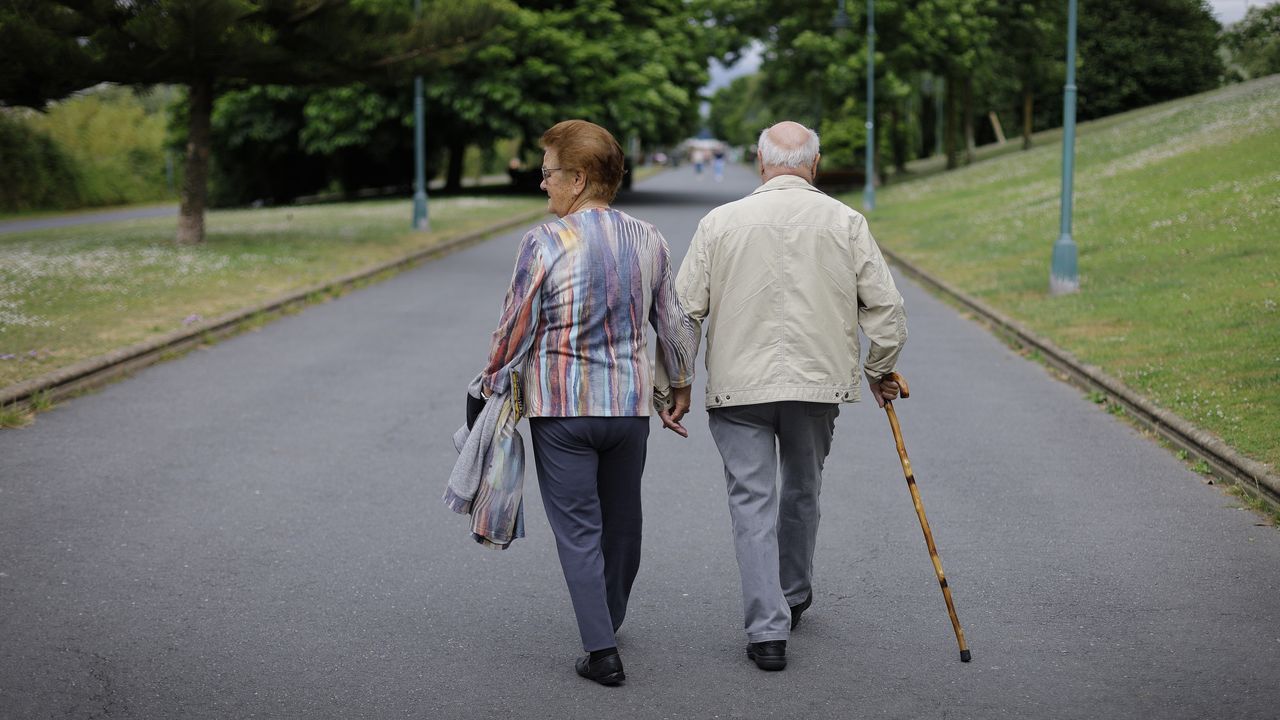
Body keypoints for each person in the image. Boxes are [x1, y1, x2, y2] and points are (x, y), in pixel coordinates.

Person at [656, 121, 907, 672]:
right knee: (802, 490)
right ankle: (793, 594)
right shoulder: (846, 221)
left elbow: (681, 314)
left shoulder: (720, 222)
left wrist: (675, 384)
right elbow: (886, 312)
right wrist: (879, 369)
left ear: (762, 163)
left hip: (737, 386)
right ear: (813, 166)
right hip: (817, 386)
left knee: (752, 500)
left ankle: (767, 632)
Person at [476, 119, 697, 685]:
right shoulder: (649, 238)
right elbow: (671, 320)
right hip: (627, 410)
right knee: (623, 523)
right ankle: (610, 616)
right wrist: (680, 384)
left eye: (547, 172)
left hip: (561, 410)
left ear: (577, 179)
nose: (542, 183)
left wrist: (490, 384)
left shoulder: (543, 242)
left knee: (578, 529)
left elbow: (514, 325)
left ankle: (601, 651)